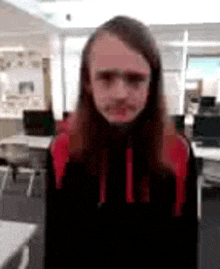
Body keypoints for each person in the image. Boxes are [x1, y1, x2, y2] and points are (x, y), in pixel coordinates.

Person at [45, 15, 198, 268]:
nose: (120, 94)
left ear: (152, 84)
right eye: (105, 78)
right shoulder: (62, 149)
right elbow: (56, 247)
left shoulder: (177, 152)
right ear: (88, 82)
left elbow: (185, 246)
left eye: (136, 79)